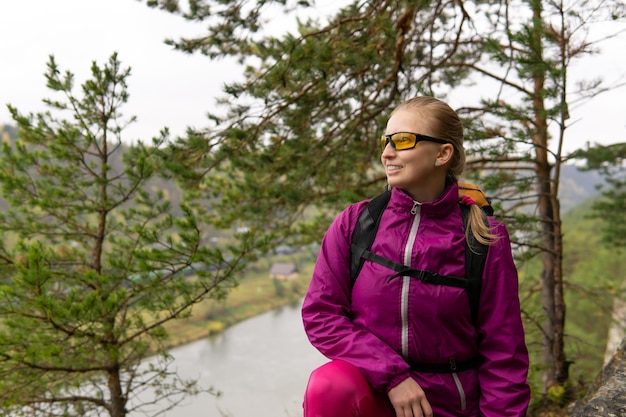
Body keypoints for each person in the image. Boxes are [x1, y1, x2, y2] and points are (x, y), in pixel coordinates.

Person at [301, 96, 530, 417]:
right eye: (386, 141)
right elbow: (321, 315)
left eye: (403, 140)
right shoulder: (356, 223)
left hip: (451, 406)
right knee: (330, 385)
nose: (387, 153)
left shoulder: (485, 238)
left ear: (442, 153)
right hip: (377, 392)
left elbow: (503, 352)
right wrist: (394, 375)